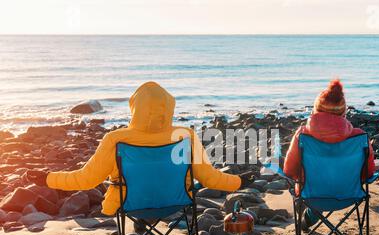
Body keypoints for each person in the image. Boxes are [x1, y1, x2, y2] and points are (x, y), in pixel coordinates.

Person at [27, 81, 255, 222]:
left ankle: (142, 222)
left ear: (135, 108)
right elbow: (208, 177)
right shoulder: (186, 136)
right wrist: (238, 183)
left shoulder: (116, 139)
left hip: (130, 204)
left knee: (131, 186)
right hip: (175, 203)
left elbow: (87, 179)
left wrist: (47, 178)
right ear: (169, 108)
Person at [283, 79, 375, 230]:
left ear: (316, 108)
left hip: (311, 194)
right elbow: (368, 172)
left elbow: (289, 170)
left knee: (310, 187)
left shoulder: (303, 135)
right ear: (343, 111)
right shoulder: (359, 137)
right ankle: (308, 216)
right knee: (327, 184)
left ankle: (306, 214)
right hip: (350, 195)